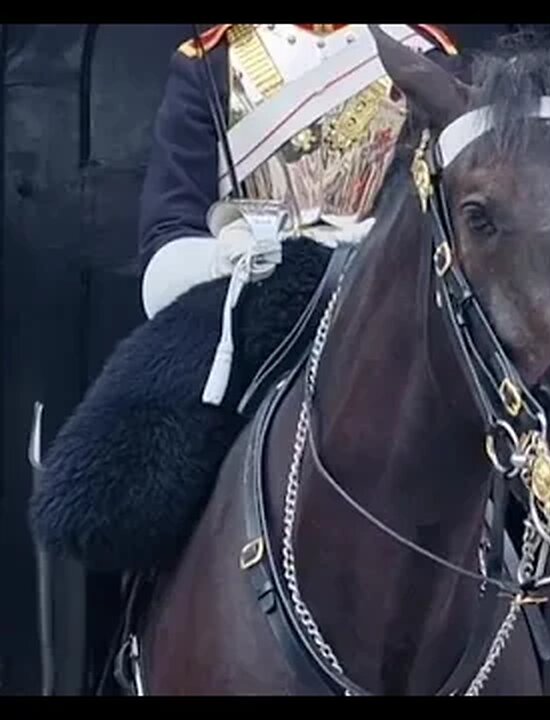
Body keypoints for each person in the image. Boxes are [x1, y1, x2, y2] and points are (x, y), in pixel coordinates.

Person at [29, 23, 511, 573]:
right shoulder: (211, 62)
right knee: (120, 487)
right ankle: (126, 645)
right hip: (255, 310)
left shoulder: (429, 59)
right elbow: (167, 241)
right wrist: (227, 257)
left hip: (385, 315)